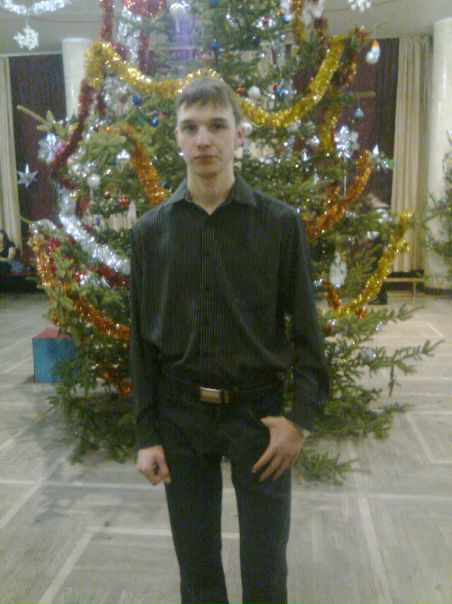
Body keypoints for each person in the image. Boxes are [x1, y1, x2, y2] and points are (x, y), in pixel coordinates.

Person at [130, 77, 329, 604]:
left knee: (265, 571)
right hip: (181, 418)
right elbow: (141, 343)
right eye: (191, 128)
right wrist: (147, 433)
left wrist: (300, 421)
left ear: (239, 134)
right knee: (196, 571)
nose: (204, 140)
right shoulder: (150, 232)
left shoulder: (279, 224)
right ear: (176, 137)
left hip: (259, 419)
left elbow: (307, 334)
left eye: (217, 126)